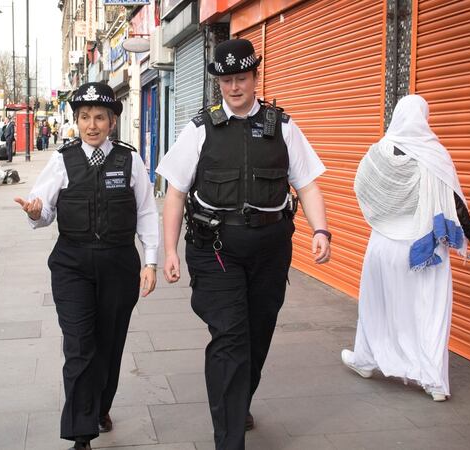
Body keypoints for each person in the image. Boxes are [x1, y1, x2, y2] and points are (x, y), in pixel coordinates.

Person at [156, 38, 331, 450]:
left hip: (270, 250)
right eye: (226, 80)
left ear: (255, 77)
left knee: (257, 334)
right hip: (216, 247)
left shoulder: (282, 126)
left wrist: (320, 231)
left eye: (241, 78)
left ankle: (239, 399)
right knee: (231, 338)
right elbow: (176, 193)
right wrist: (168, 251)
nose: (234, 87)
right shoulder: (199, 129)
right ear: (218, 83)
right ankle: (229, 437)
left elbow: (306, 184)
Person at [14, 82, 159, 450]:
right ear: (76, 121)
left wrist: (152, 261)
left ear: (112, 121)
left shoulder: (130, 161)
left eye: (98, 118)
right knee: (79, 346)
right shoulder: (62, 160)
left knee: (109, 345)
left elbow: (145, 212)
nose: (91, 125)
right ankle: (81, 434)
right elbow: (44, 210)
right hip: (72, 265)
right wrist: (36, 212)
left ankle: (100, 405)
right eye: (83, 118)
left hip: (118, 265)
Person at [342, 94, 470, 401]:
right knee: (429, 312)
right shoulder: (434, 154)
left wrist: (385, 216)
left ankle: (366, 360)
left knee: (376, 306)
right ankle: (433, 382)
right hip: (425, 248)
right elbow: (456, 205)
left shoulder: (377, 152)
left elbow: (360, 188)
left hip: (382, 244)